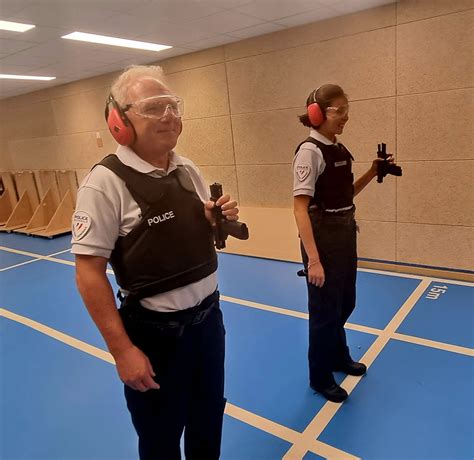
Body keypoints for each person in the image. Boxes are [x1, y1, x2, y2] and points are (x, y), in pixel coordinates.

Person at [72, 65, 239, 459]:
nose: (168, 115)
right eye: (153, 107)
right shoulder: (103, 184)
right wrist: (123, 351)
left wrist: (215, 217)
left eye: (172, 106)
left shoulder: (187, 168)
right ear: (119, 121)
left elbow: (189, 225)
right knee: (161, 436)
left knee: (207, 419)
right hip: (156, 337)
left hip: (209, 324)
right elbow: (88, 273)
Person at [292, 84, 393, 403]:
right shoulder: (309, 152)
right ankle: (320, 377)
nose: (345, 117)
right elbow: (299, 208)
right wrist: (314, 261)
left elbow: (345, 194)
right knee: (323, 313)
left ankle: (338, 356)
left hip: (345, 233)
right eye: (338, 111)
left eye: (346, 110)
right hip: (322, 242)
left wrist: (373, 172)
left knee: (345, 303)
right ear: (317, 113)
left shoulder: (338, 149)